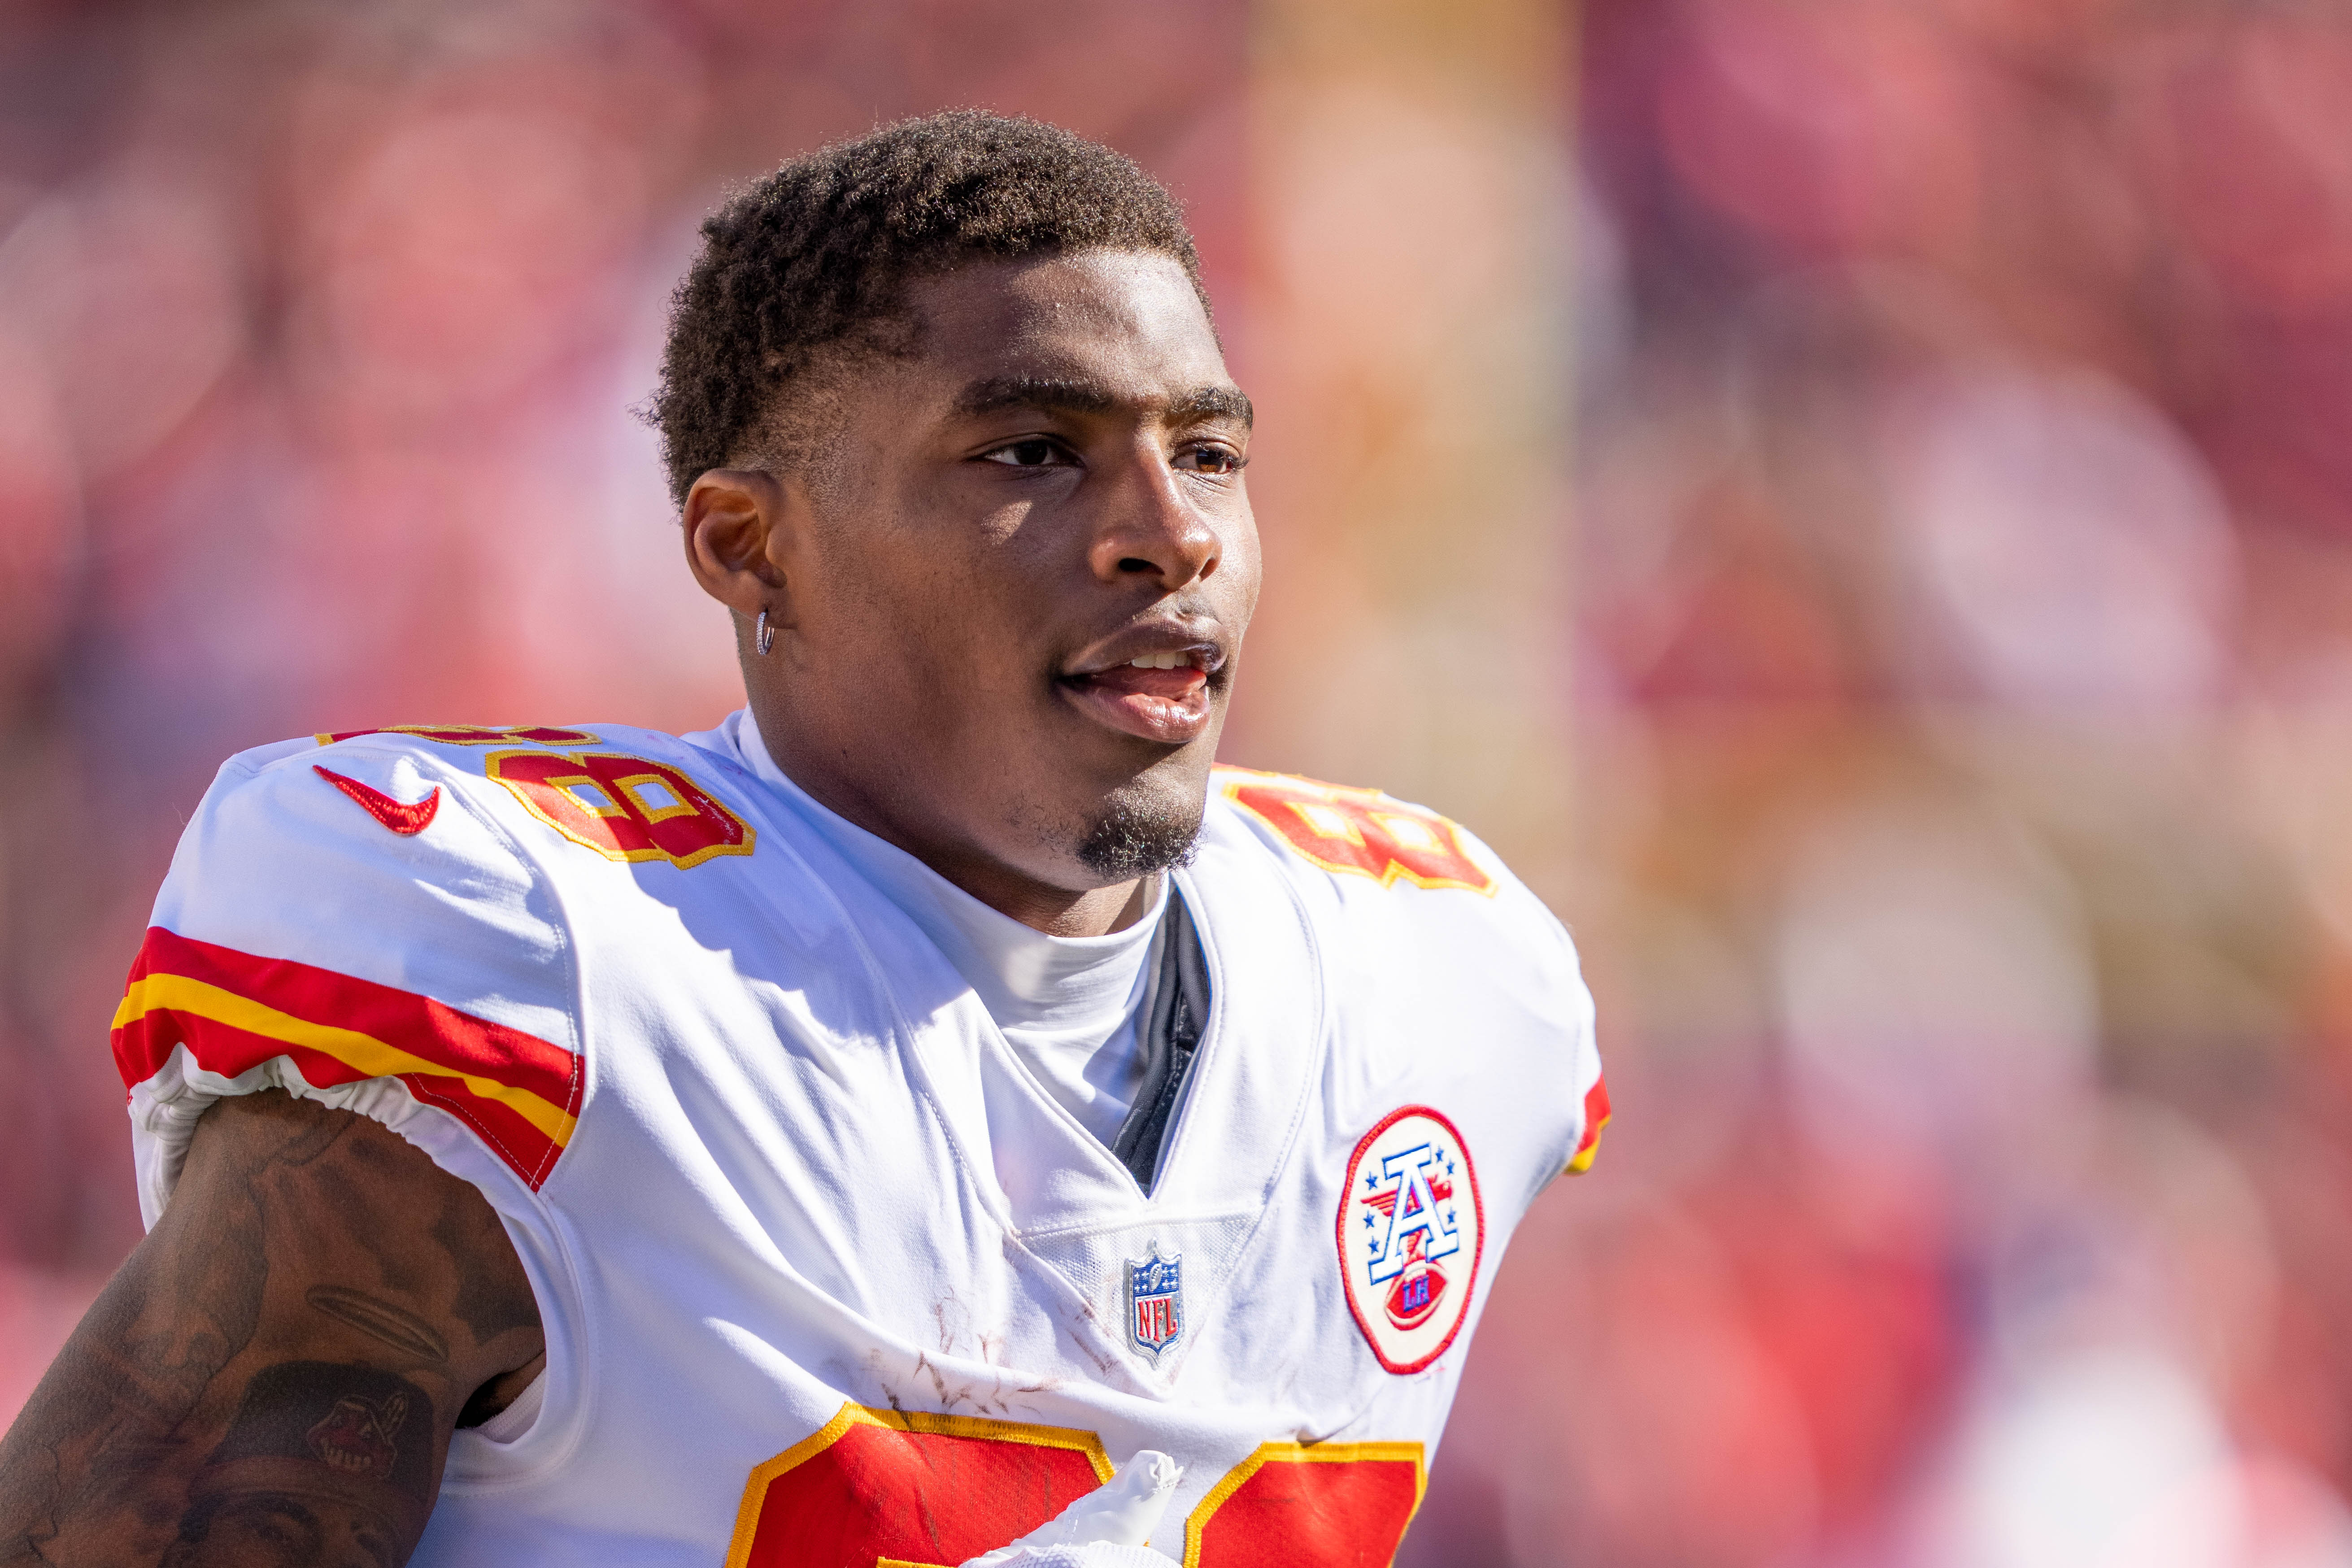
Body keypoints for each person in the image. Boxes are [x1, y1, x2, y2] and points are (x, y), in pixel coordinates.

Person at [0, 110, 1607, 1568]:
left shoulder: (1437, 974)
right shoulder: (547, 970)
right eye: (1031, 454)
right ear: (751, 548)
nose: (1170, 534)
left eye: (1207, 453)